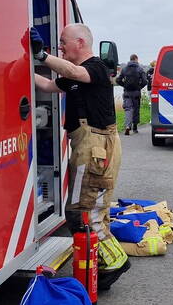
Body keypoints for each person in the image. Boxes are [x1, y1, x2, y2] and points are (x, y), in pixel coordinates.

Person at [33, 23, 130, 288]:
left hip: (95, 147)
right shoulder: (74, 76)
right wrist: (19, 63)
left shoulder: (96, 67)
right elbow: (48, 84)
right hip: (88, 145)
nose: (60, 47)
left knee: (81, 212)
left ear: (80, 42)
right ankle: (109, 261)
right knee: (90, 211)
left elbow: (74, 71)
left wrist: (42, 56)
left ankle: (112, 263)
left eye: (63, 42)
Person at [115, 54, 148, 135]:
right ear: (136, 59)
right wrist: (139, 87)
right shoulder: (140, 69)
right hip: (136, 92)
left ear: (130, 59)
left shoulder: (124, 69)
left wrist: (124, 85)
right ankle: (135, 128)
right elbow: (145, 81)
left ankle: (127, 126)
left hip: (127, 92)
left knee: (128, 109)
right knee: (136, 109)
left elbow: (118, 80)